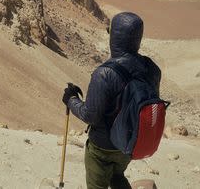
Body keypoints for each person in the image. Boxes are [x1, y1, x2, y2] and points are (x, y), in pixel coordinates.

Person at [62, 12, 161, 189]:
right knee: (117, 175)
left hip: (102, 147)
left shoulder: (104, 74)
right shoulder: (152, 68)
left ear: (114, 37)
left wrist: (71, 99)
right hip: (128, 144)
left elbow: (90, 115)